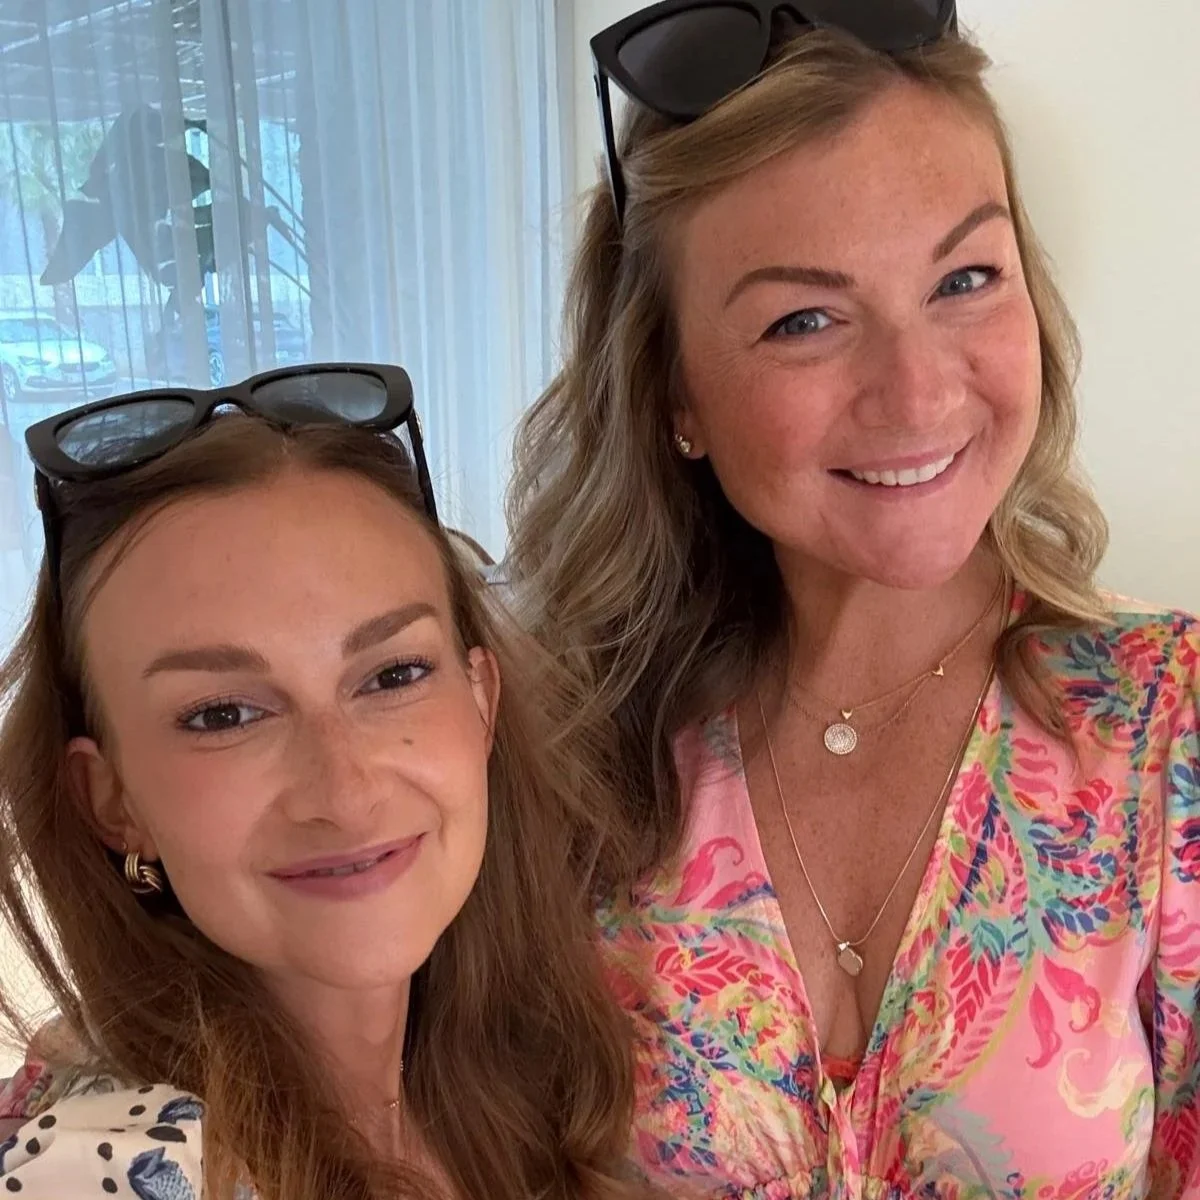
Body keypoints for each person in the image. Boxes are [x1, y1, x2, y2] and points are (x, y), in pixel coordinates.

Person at [506, 2, 1200, 1196]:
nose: (918, 392)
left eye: (965, 278)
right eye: (805, 320)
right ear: (675, 392)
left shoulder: (1166, 725)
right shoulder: (567, 759)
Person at [0, 366, 648, 1199]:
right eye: (223, 714)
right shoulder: (111, 1164)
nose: (344, 792)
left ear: (481, 703)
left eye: (393, 674)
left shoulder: (521, 1082)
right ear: (112, 799)